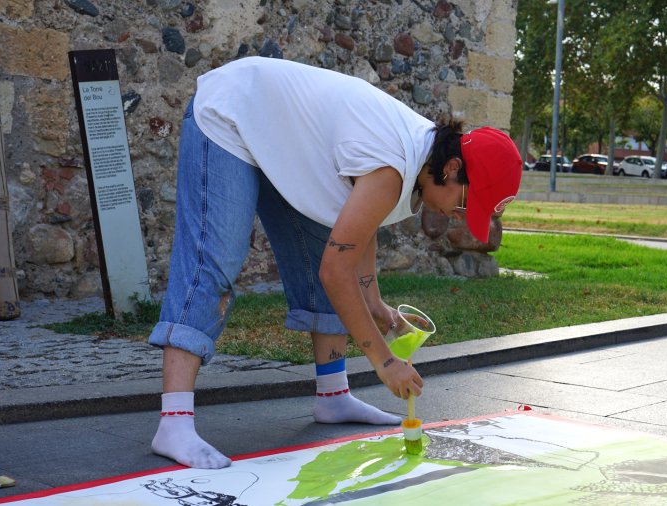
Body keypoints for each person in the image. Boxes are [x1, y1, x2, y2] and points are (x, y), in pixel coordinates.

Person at [148, 56, 523, 469]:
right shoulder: (395, 166)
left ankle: (333, 396)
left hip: (277, 136)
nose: (458, 215)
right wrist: (385, 363)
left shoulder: (420, 160)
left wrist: (376, 305)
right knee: (215, 261)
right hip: (231, 114)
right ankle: (174, 422)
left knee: (320, 248)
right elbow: (337, 271)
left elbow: (357, 235)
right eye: (464, 202)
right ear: (453, 168)